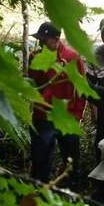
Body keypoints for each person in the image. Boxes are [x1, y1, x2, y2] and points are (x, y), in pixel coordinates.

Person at [27, 21, 86, 183]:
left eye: (43, 39)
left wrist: (77, 115)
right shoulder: (35, 57)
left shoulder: (72, 58)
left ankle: (71, 195)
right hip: (43, 117)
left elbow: (81, 89)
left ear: (56, 39)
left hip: (67, 118)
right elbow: (33, 85)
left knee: (71, 162)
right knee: (40, 163)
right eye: (39, 40)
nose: (40, 43)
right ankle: (39, 199)